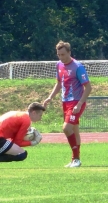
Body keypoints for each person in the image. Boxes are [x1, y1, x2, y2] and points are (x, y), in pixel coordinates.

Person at [43, 40, 92, 168]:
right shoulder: (58, 65)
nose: (61, 57)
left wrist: (80, 103)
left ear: (69, 52)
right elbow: (59, 83)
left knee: (66, 128)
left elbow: (88, 87)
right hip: (65, 102)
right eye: (59, 55)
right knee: (74, 130)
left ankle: (76, 159)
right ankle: (76, 159)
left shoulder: (77, 66)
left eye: (63, 54)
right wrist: (50, 97)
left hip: (76, 102)